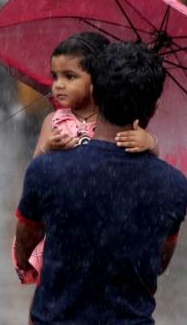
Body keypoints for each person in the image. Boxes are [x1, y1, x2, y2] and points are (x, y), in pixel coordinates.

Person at [12, 41, 187, 325]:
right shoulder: (172, 185)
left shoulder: (48, 170)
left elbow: (26, 240)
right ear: (152, 107)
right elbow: (159, 264)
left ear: (97, 92)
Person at [14, 32, 158, 286]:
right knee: (50, 285)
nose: (58, 85)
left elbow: (148, 162)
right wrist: (47, 148)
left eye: (70, 77)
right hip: (65, 217)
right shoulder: (54, 121)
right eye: (55, 76)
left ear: (98, 81)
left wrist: (150, 142)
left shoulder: (115, 120)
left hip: (103, 218)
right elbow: (35, 169)